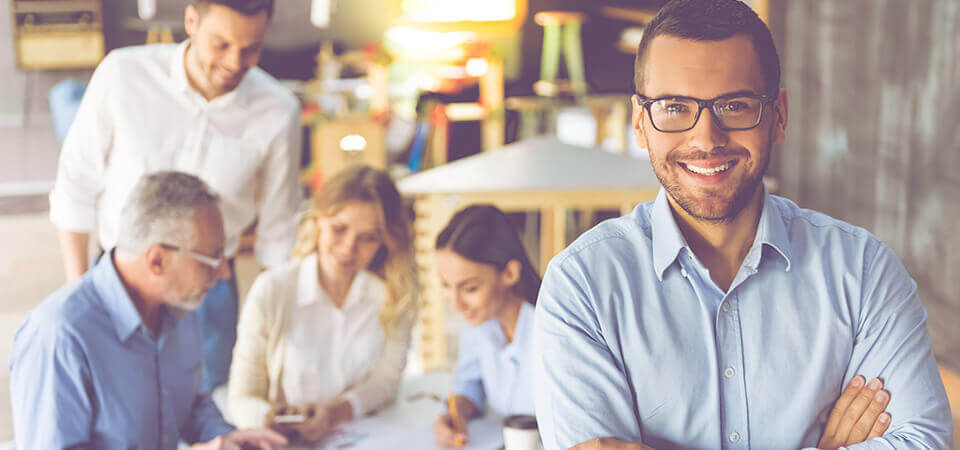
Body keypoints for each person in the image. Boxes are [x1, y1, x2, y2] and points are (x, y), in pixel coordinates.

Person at [532, 0, 954, 449]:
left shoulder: (864, 271)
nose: (706, 139)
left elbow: (924, 441)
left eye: (734, 105)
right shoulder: (583, 287)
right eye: (675, 107)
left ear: (779, 116)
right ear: (641, 123)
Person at [47, 0, 302, 392]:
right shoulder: (122, 75)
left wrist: (276, 335)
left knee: (203, 404)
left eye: (251, 48)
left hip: (209, 289)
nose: (235, 62)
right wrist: (78, 298)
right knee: (111, 400)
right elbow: (75, 188)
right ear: (191, 20)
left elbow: (278, 233)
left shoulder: (278, 111)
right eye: (221, 44)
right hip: (119, 278)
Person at [9, 171, 287, 449]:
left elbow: (189, 405)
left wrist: (226, 438)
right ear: (156, 261)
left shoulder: (180, 307)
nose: (225, 272)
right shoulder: (59, 337)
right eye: (212, 259)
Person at [227, 165, 418, 444]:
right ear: (317, 221)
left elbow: (386, 382)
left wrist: (335, 414)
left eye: (368, 238)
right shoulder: (273, 291)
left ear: (386, 242)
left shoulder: (392, 296)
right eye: (339, 229)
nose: (348, 248)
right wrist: (275, 420)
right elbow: (242, 397)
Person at [431, 205, 542, 447]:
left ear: (510, 273)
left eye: (470, 288)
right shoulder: (478, 321)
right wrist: (457, 412)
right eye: (446, 286)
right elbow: (469, 380)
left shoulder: (552, 331)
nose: (456, 305)